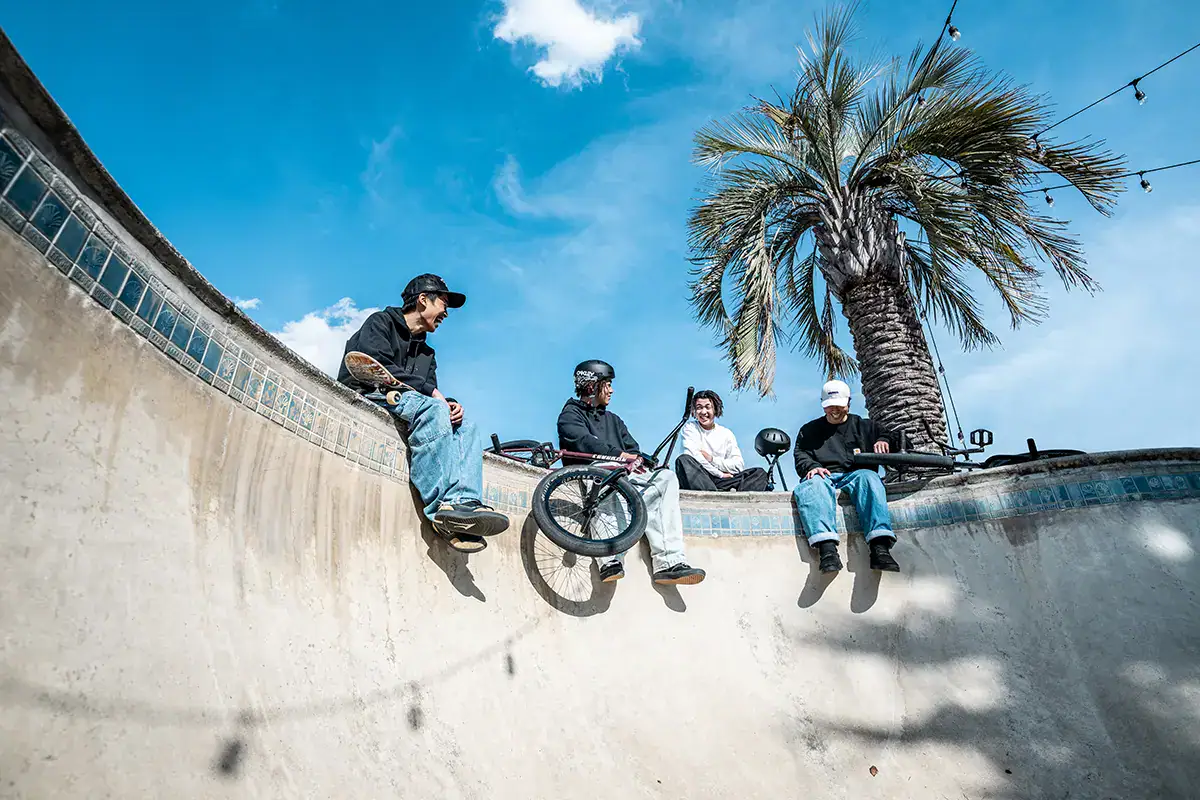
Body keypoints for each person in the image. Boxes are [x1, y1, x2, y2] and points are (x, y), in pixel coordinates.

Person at [337, 274, 509, 553]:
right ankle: (441, 506)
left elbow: (431, 390)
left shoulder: (427, 353)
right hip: (370, 391)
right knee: (431, 407)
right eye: (443, 303)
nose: (446, 313)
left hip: (410, 401)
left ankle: (464, 505)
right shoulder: (381, 323)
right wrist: (432, 396)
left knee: (468, 427)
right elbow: (372, 357)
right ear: (422, 299)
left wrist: (450, 405)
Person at [556, 360, 706, 586]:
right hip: (594, 478)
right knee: (606, 472)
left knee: (666, 478)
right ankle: (609, 560)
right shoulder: (570, 415)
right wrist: (618, 456)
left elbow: (632, 450)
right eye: (607, 384)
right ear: (591, 386)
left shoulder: (614, 421)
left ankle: (669, 562)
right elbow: (583, 442)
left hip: (627, 482)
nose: (611, 390)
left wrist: (640, 461)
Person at [791, 379, 901, 573]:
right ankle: (827, 550)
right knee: (812, 486)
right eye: (829, 407)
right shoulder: (808, 431)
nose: (834, 411)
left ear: (848, 403)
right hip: (824, 476)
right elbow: (801, 454)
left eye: (839, 407)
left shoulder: (865, 426)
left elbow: (897, 437)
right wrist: (812, 466)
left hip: (856, 475)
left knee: (869, 478)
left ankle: (879, 547)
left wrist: (884, 440)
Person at [674, 390, 770, 492]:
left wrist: (712, 459)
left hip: (723, 480)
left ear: (715, 409)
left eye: (707, 407)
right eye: (699, 408)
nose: (703, 412)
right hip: (699, 478)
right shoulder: (690, 428)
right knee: (683, 460)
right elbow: (693, 456)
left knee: (759, 473)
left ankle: (736, 502)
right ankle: (711, 498)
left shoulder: (726, 433)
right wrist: (720, 473)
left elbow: (738, 466)